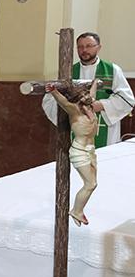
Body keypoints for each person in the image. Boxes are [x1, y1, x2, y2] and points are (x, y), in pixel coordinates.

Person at [41, 32, 134, 147]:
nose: (84, 50)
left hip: (105, 129)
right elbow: (49, 100)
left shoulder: (113, 70)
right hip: (76, 126)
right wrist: (70, 110)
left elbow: (127, 99)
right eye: (80, 47)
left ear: (99, 47)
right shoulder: (67, 72)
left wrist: (101, 105)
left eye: (89, 46)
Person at [47, 80, 99, 226]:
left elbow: (92, 93)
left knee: (93, 183)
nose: (86, 96)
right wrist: (54, 91)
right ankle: (76, 211)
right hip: (80, 151)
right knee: (90, 184)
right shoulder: (75, 110)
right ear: (77, 99)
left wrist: (95, 82)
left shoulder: (90, 107)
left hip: (91, 151)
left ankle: (78, 210)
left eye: (86, 94)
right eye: (82, 95)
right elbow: (63, 102)